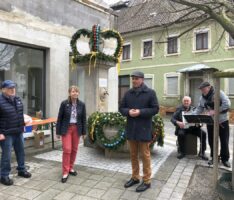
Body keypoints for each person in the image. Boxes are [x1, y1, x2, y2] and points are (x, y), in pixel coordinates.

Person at [119, 71, 159, 192]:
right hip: (131, 128)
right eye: (133, 79)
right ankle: (135, 177)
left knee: (145, 156)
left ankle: (147, 181)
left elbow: (155, 109)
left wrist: (140, 112)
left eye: (136, 79)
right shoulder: (128, 93)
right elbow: (121, 108)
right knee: (133, 155)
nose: (134, 81)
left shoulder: (150, 93)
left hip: (144, 128)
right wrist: (128, 112)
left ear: (142, 79)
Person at [0, 80, 32, 186]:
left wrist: (26, 121)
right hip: (6, 133)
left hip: (18, 131)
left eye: (13, 87)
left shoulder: (17, 99)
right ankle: (4, 176)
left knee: (21, 152)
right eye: (10, 88)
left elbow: (19, 115)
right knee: (7, 156)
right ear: (3, 90)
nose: (13, 89)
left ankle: (21, 170)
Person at [193, 81, 231, 168]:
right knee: (212, 141)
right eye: (201, 89)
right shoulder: (202, 98)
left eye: (203, 89)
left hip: (222, 121)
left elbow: (227, 104)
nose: (202, 91)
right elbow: (199, 108)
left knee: (224, 141)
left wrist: (216, 110)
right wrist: (193, 116)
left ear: (209, 87)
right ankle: (214, 158)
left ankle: (225, 159)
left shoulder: (219, 93)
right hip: (210, 122)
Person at [56, 85, 86, 183]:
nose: (75, 93)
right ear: (69, 93)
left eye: (77, 91)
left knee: (74, 149)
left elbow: (83, 119)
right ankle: (65, 171)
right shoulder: (64, 104)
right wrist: (58, 132)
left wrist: (84, 132)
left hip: (77, 129)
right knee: (67, 149)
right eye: (73, 91)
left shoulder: (82, 104)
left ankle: (70, 168)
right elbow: (59, 118)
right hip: (66, 129)